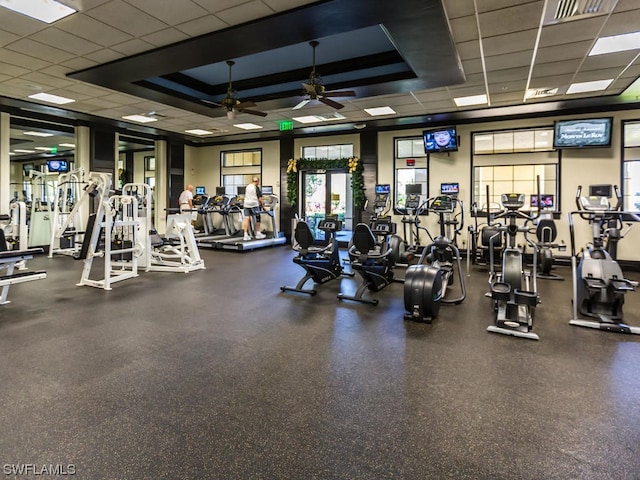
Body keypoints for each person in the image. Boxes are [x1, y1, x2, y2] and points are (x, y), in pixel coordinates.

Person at [242, 177, 266, 241]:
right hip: (254, 204)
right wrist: (263, 207)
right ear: (257, 181)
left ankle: (245, 234)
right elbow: (260, 199)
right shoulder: (256, 188)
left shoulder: (248, 186)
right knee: (258, 218)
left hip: (246, 204)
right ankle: (258, 233)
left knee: (247, 218)